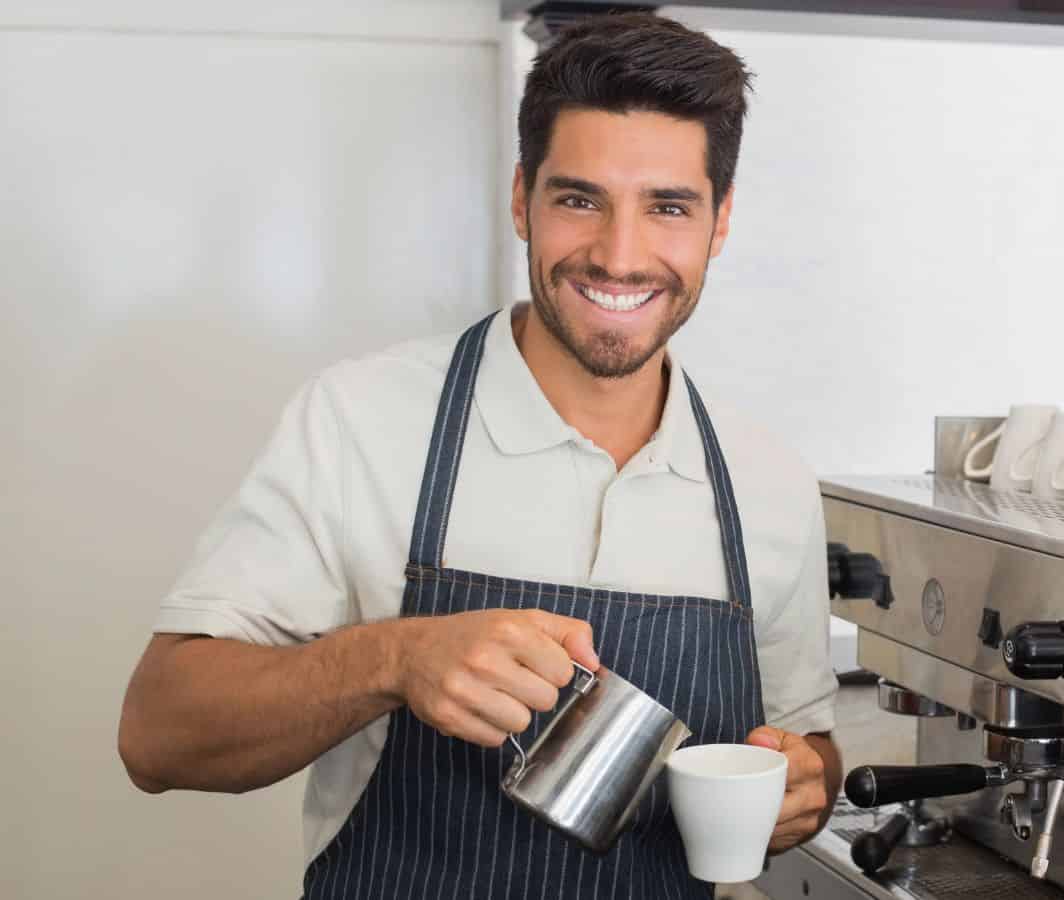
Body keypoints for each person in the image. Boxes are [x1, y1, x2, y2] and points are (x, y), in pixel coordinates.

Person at [117, 13, 841, 898]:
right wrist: (393, 659)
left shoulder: (768, 480)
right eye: (579, 199)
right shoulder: (360, 419)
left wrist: (810, 785)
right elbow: (157, 735)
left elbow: (808, 742)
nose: (619, 255)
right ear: (520, 198)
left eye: (668, 207)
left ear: (719, 222)